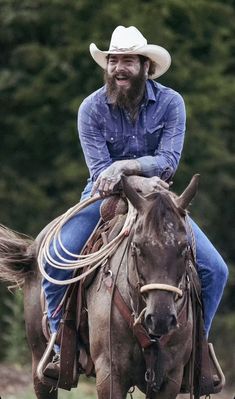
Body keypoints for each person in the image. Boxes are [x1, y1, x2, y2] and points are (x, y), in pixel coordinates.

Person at [43, 25, 228, 376]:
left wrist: (127, 166)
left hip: (159, 200)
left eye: (127, 60)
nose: (118, 68)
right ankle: (59, 343)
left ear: (146, 66)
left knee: (216, 270)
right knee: (55, 260)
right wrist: (138, 174)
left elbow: (169, 160)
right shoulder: (91, 108)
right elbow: (101, 172)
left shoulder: (171, 102)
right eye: (113, 60)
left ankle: (195, 349)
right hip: (103, 195)